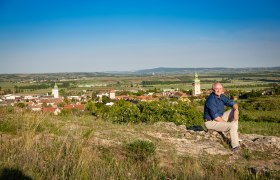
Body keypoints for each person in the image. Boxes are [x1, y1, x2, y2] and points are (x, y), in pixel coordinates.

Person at [204, 82, 240, 152]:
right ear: (212, 90)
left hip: (220, 117)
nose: (218, 90)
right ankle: (235, 146)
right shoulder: (211, 100)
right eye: (216, 89)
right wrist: (227, 124)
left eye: (220, 88)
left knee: (234, 111)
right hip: (210, 122)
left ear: (222, 89)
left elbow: (233, 103)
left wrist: (235, 110)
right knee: (232, 125)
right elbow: (216, 118)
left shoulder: (221, 96)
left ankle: (235, 135)